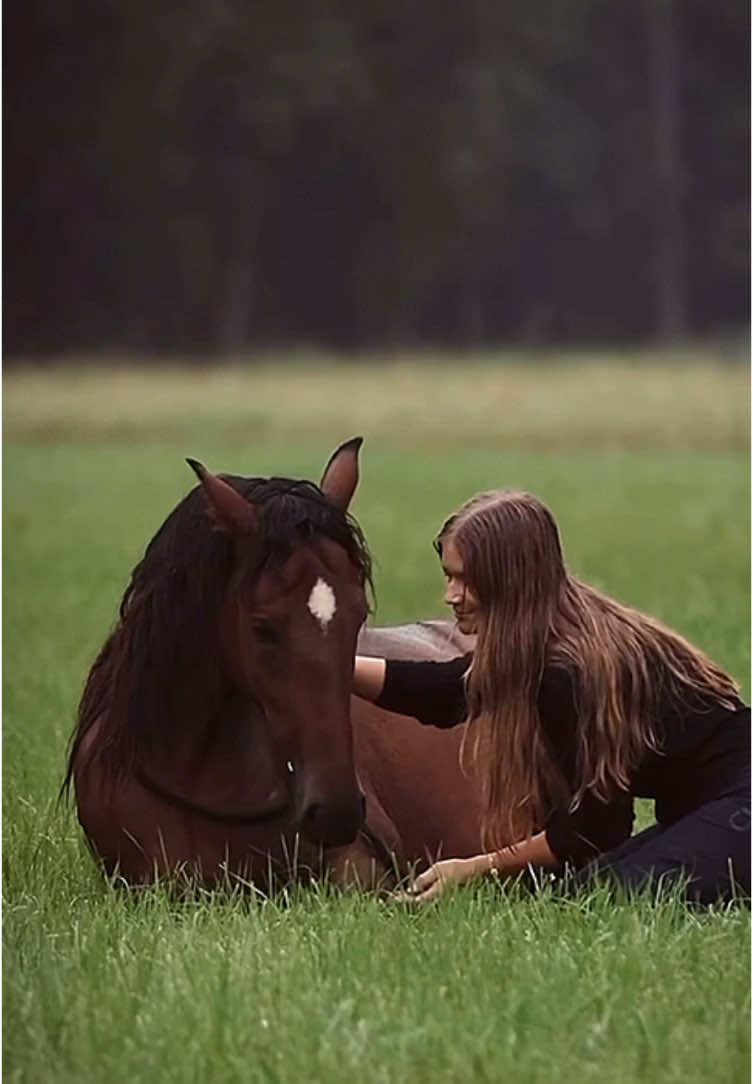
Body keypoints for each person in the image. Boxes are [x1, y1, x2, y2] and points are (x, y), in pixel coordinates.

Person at [353, 490, 750, 904]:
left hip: (741, 798)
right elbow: (445, 690)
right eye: (448, 576)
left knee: (605, 902)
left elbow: (596, 830)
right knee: (570, 895)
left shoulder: (568, 670)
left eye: (466, 579)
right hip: (702, 806)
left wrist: (474, 866)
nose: (451, 595)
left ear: (509, 580)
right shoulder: (545, 634)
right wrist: (333, 667)